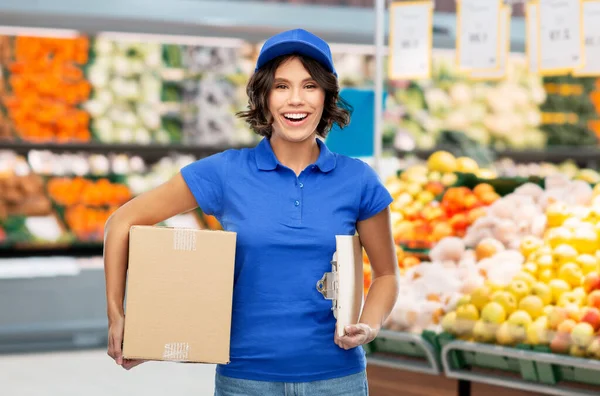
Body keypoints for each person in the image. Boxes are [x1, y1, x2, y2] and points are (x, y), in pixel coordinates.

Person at [104, 28, 400, 396]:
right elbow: (121, 222)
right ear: (263, 96)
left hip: (337, 379)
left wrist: (369, 326)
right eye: (281, 86)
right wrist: (118, 315)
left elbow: (386, 274)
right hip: (245, 379)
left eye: (309, 86)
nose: (296, 100)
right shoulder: (226, 173)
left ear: (326, 95)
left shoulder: (357, 179)